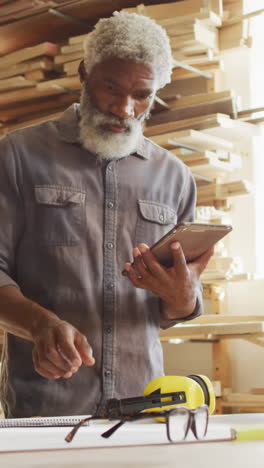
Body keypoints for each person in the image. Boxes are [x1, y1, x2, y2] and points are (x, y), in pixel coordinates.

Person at [0, 11, 213, 418]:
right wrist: (39, 324)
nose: (125, 108)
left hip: (144, 409)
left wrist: (184, 300)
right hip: (45, 411)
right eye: (110, 87)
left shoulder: (176, 179)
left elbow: (173, 308)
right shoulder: (18, 156)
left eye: (142, 95)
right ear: (84, 73)